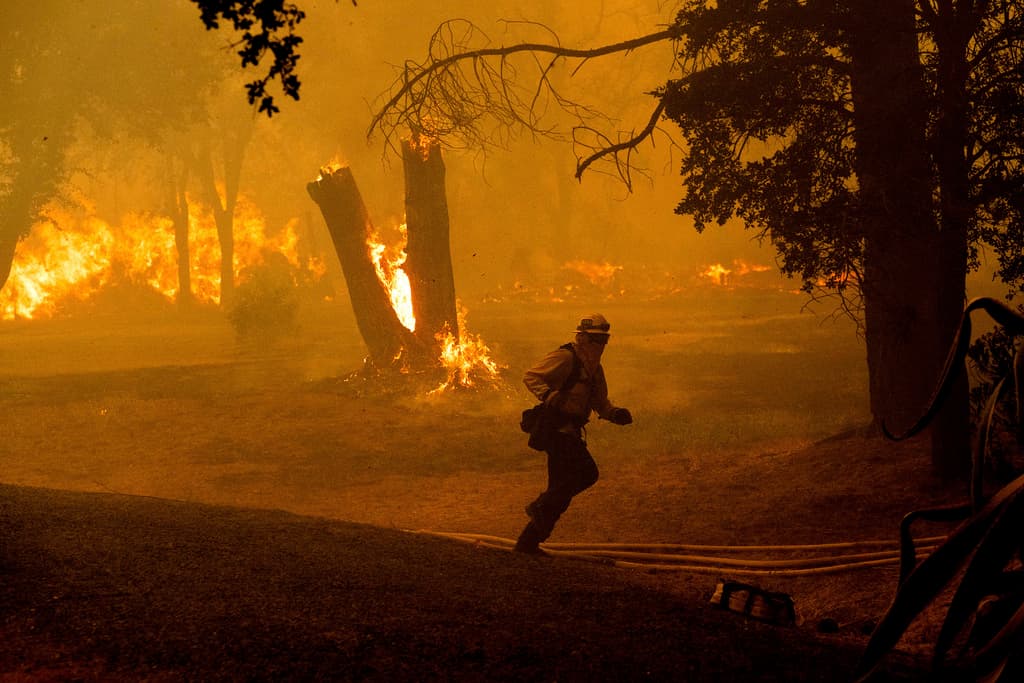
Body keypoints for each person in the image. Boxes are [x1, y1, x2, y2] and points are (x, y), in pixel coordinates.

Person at [515, 313, 633, 554]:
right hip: (557, 431)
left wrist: (615, 413)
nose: (599, 346)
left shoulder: (594, 370)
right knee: (587, 474)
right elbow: (532, 376)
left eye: (603, 340)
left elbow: (600, 402)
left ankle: (528, 543)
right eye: (594, 339)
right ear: (581, 337)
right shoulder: (566, 357)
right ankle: (541, 506)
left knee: (561, 489)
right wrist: (549, 396)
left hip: (571, 432)